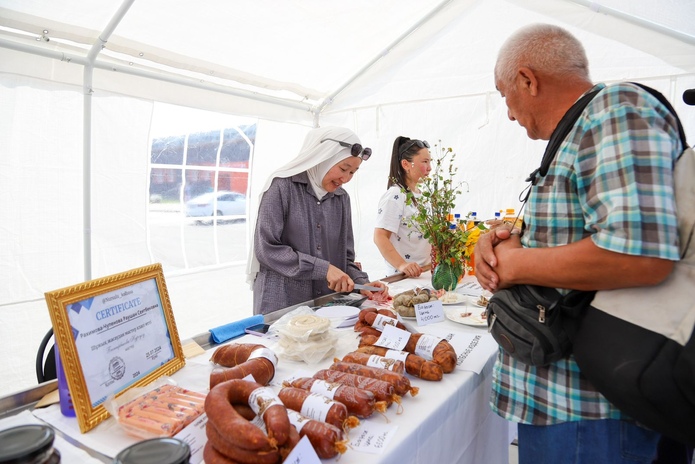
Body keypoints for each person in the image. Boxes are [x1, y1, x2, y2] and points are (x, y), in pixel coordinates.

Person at [474, 24, 683, 464]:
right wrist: (504, 241)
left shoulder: (614, 111)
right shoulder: (582, 129)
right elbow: (584, 233)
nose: (509, 114)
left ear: (528, 80)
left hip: (589, 411)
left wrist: (513, 266)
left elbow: (640, 253)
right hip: (570, 407)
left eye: (504, 94)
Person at [247, 126, 389, 315]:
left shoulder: (341, 198)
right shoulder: (281, 187)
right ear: (323, 157)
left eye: (352, 173)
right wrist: (323, 269)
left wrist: (363, 283)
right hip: (282, 304)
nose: (346, 178)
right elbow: (267, 250)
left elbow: (344, 258)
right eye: (343, 168)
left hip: (324, 305)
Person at [374, 137, 433, 277]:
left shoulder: (421, 195)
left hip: (424, 273)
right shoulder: (395, 195)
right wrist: (402, 265)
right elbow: (380, 237)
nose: (430, 168)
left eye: (430, 162)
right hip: (405, 279)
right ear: (406, 164)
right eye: (425, 162)